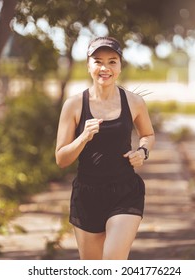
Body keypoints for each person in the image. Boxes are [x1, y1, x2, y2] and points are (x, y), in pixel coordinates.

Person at [55, 37, 155, 260]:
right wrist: (83, 137)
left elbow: (147, 135)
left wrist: (143, 152)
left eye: (112, 61)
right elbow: (61, 159)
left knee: (112, 262)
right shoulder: (73, 105)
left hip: (125, 192)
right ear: (88, 66)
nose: (105, 68)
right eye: (98, 61)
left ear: (120, 66)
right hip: (87, 195)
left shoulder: (134, 102)